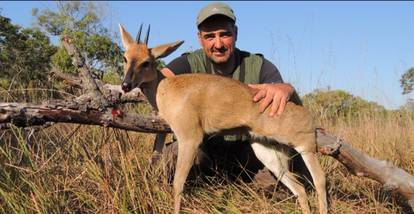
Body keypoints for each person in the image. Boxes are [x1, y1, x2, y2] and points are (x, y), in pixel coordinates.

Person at [160, 2, 304, 180]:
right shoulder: (188, 64)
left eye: (225, 34)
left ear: (235, 33)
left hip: (248, 154)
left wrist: (287, 89)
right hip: (203, 150)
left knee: (278, 177)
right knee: (164, 162)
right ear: (199, 38)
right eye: (210, 36)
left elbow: (286, 105)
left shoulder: (258, 66)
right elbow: (157, 84)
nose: (218, 44)